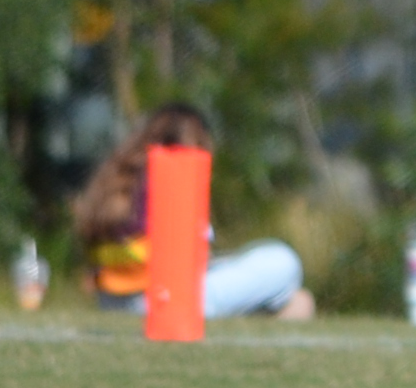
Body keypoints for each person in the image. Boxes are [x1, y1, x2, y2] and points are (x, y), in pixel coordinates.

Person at [74, 102, 316, 321]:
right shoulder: (177, 173)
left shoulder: (114, 178)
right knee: (283, 260)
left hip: (112, 303)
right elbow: (194, 258)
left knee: (299, 303)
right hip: (167, 302)